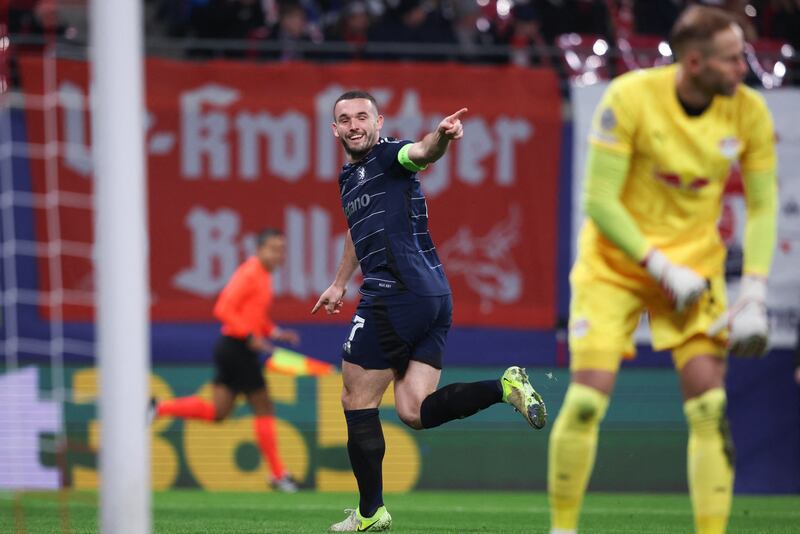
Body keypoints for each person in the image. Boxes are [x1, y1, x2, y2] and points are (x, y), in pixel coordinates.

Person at [549, 5, 777, 534]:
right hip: (616, 266)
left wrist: (758, 289)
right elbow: (599, 200)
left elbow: (765, 206)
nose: (743, 67)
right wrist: (659, 265)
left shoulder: (748, 112)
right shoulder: (630, 98)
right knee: (585, 403)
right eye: (731, 59)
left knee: (709, 409)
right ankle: (562, 529)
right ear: (694, 62)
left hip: (696, 270)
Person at [312, 90, 547, 532]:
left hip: (395, 293)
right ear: (335, 129)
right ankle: (504, 387)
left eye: (362, 116)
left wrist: (441, 137)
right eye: (345, 119)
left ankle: (370, 513)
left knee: (355, 397)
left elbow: (419, 152)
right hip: (433, 296)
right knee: (414, 411)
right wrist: (341, 282)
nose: (354, 124)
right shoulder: (351, 178)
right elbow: (355, 230)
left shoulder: (388, 155)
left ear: (379, 122)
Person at [151, 228, 301, 492]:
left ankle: (158, 408)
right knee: (264, 407)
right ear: (259, 249)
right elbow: (222, 308)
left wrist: (274, 332)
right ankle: (278, 474)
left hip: (234, 347)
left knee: (218, 412)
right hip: (237, 347)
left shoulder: (263, 276)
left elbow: (252, 314)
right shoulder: (250, 272)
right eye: (274, 249)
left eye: (282, 250)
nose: (280, 255)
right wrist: (249, 335)